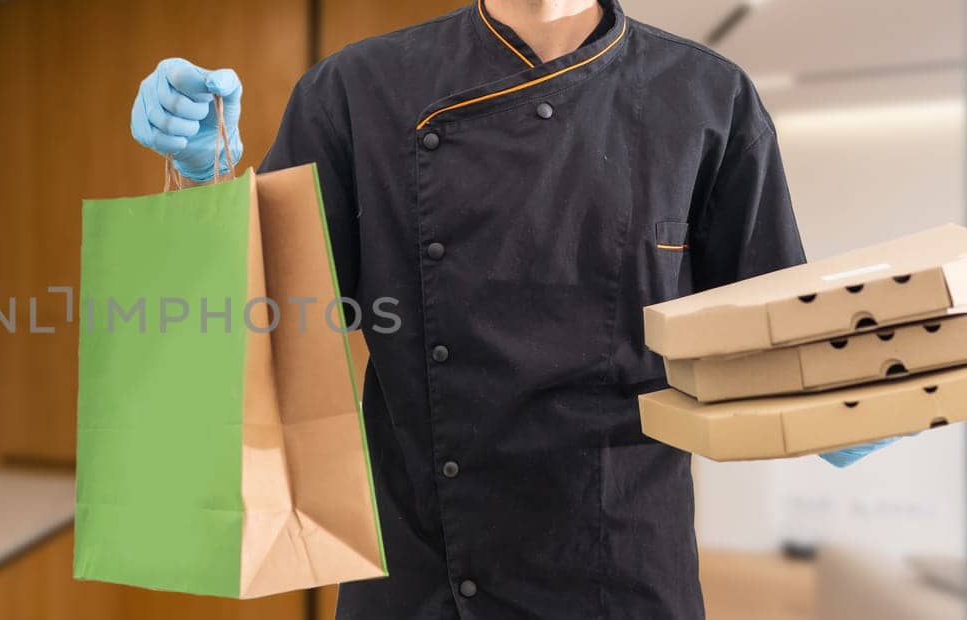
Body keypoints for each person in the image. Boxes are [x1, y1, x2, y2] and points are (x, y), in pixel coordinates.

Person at [130, 0, 895, 617]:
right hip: (421, 572)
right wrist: (207, 181)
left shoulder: (708, 97)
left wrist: (847, 404)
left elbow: (769, 332)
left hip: (621, 570)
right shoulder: (357, 89)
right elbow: (267, 324)